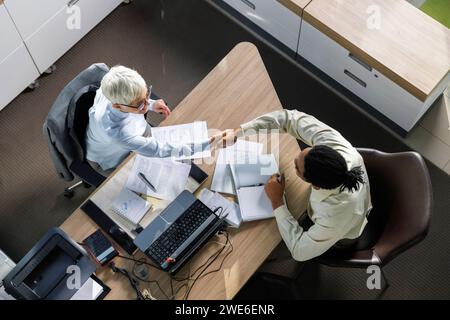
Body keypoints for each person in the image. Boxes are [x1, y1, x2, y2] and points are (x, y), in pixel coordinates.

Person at [221, 109, 372, 261]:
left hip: (341, 236)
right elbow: (290, 118)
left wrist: (277, 201)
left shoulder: (334, 214)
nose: (294, 159)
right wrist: (239, 132)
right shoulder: (334, 144)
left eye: (296, 167)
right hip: (331, 206)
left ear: (315, 186)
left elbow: (300, 252)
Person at [85, 65, 213, 175]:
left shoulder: (115, 80)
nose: (146, 105)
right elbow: (158, 150)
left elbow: (136, 98)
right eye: (140, 104)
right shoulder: (116, 132)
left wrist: (152, 104)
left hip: (134, 131)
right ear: (117, 106)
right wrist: (205, 145)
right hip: (112, 157)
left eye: (147, 95)